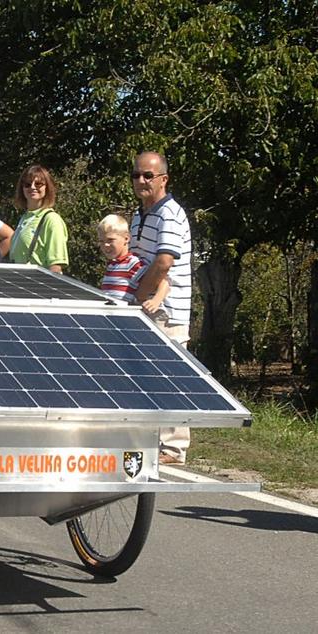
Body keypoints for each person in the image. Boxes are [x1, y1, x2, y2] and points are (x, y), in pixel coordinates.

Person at [129, 151, 193, 465]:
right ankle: (152, 441)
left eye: (148, 175)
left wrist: (140, 293)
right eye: (136, 175)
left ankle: (174, 447)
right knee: (147, 374)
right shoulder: (138, 214)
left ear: (163, 179)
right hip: (144, 306)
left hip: (166, 308)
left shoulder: (170, 213)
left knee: (171, 375)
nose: (141, 181)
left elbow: (164, 261)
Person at [97, 214, 170, 312]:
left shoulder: (132, 263)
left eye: (110, 240)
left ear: (126, 238)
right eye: (101, 241)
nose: (105, 245)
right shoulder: (112, 265)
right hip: (111, 315)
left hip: (125, 316)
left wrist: (155, 301)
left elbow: (163, 283)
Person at [8, 165, 69, 273]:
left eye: (38, 184)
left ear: (47, 188)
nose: (32, 187)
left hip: (38, 281)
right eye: (27, 184)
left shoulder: (51, 219)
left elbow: (56, 266)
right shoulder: (24, 218)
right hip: (19, 279)